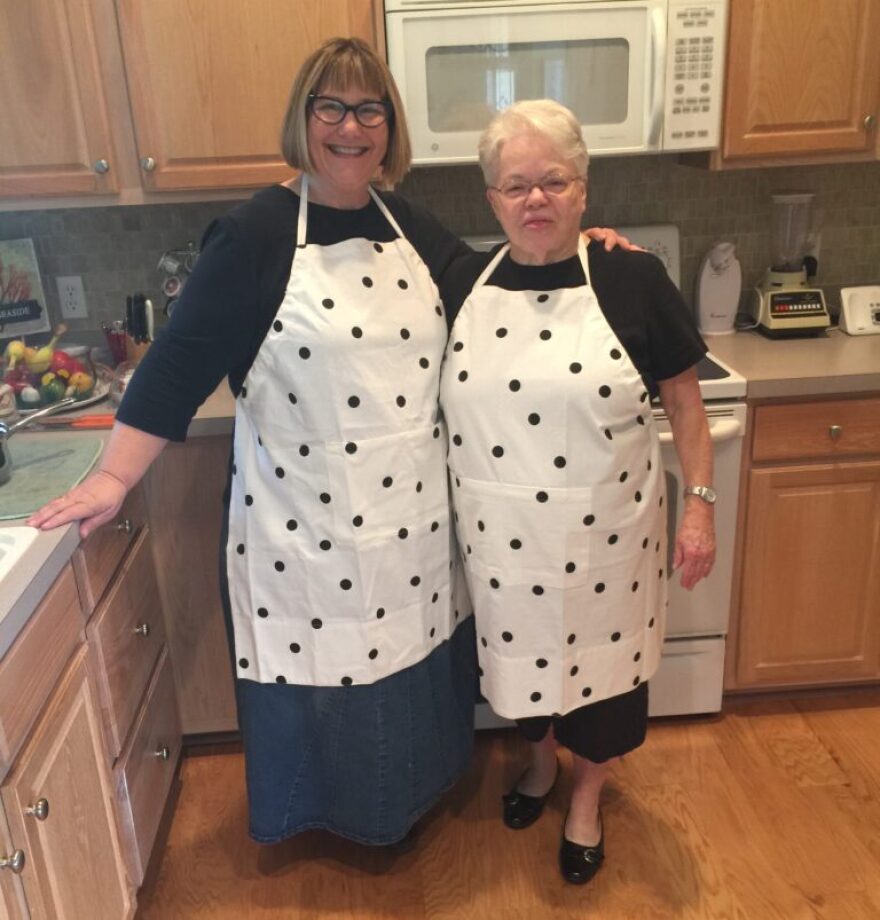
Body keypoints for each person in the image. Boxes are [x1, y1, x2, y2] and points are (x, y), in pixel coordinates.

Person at [27, 41, 629, 846]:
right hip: (301, 528)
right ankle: (330, 819)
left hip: (410, 527)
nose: (352, 127)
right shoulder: (253, 236)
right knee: (324, 682)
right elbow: (176, 365)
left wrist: (584, 253)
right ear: (304, 119)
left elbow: (497, 286)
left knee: (407, 678)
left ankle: (414, 805)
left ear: (389, 126)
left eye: (369, 109)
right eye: (332, 108)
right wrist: (112, 476)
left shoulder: (411, 224)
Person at [438, 100, 716, 884]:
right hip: (501, 551)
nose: (535, 199)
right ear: (492, 200)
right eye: (515, 185)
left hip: (608, 546)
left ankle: (587, 795)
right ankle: (538, 764)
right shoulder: (461, 279)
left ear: (583, 190)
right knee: (520, 676)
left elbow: (686, 402)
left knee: (603, 691)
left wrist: (699, 504)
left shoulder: (632, 276)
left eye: (552, 181)